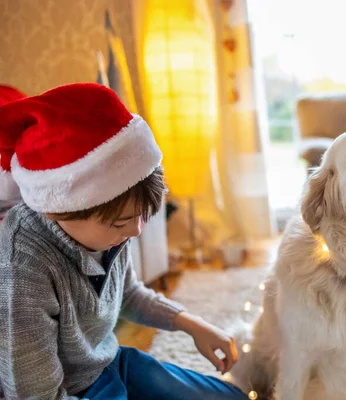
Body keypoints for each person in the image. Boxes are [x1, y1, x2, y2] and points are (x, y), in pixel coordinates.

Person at [0, 83, 247, 400]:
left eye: (145, 215)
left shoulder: (116, 225)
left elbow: (127, 293)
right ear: (59, 212)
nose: (137, 230)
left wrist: (192, 324)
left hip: (110, 365)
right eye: (123, 222)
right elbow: (34, 393)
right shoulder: (22, 264)